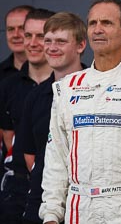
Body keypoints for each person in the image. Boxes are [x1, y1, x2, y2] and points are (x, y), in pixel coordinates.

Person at [39, 0, 121, 224]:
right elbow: (56, 157)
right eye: (92, 23)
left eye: (107, 23)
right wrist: (51, 214)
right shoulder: (67, 87)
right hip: (80, 211)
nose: (97, 30)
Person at [20, 12, 87, 224]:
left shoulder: (95, 90)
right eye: (47, 41)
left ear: (80, 46)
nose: (51, 47)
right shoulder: (35, 96)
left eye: (61, 41)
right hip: (42, 204)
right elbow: (30, 155)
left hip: (84, 203)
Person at [0, 8, 55, 223]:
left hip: (61, 189)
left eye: (41, 36)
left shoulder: (73, 84)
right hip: (19, 191)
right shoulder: (7, 87)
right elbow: (8, 138)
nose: (33, 43)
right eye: (28, 35)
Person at [0, 5, 34, 184]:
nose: (16, 34)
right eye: (10, 29)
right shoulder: (2, 77)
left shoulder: (57, 75)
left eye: (22, 29)